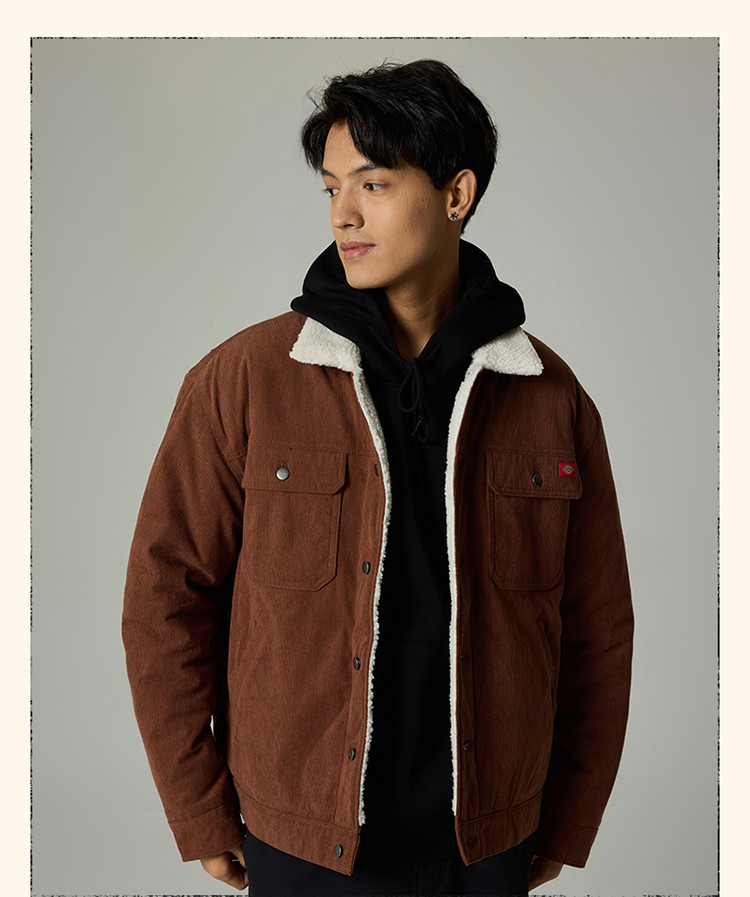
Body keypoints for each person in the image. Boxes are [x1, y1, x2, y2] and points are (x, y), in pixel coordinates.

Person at [122, 58, 634, 896]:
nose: (344, 214)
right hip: (301, 838)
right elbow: (163, 601)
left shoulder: (549, 396)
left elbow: (597, 627)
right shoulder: (243, 380)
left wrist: (568, 818)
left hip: (487, 842)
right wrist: (200, 809)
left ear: (457, 194)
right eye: (332, 188)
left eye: (374, 183)